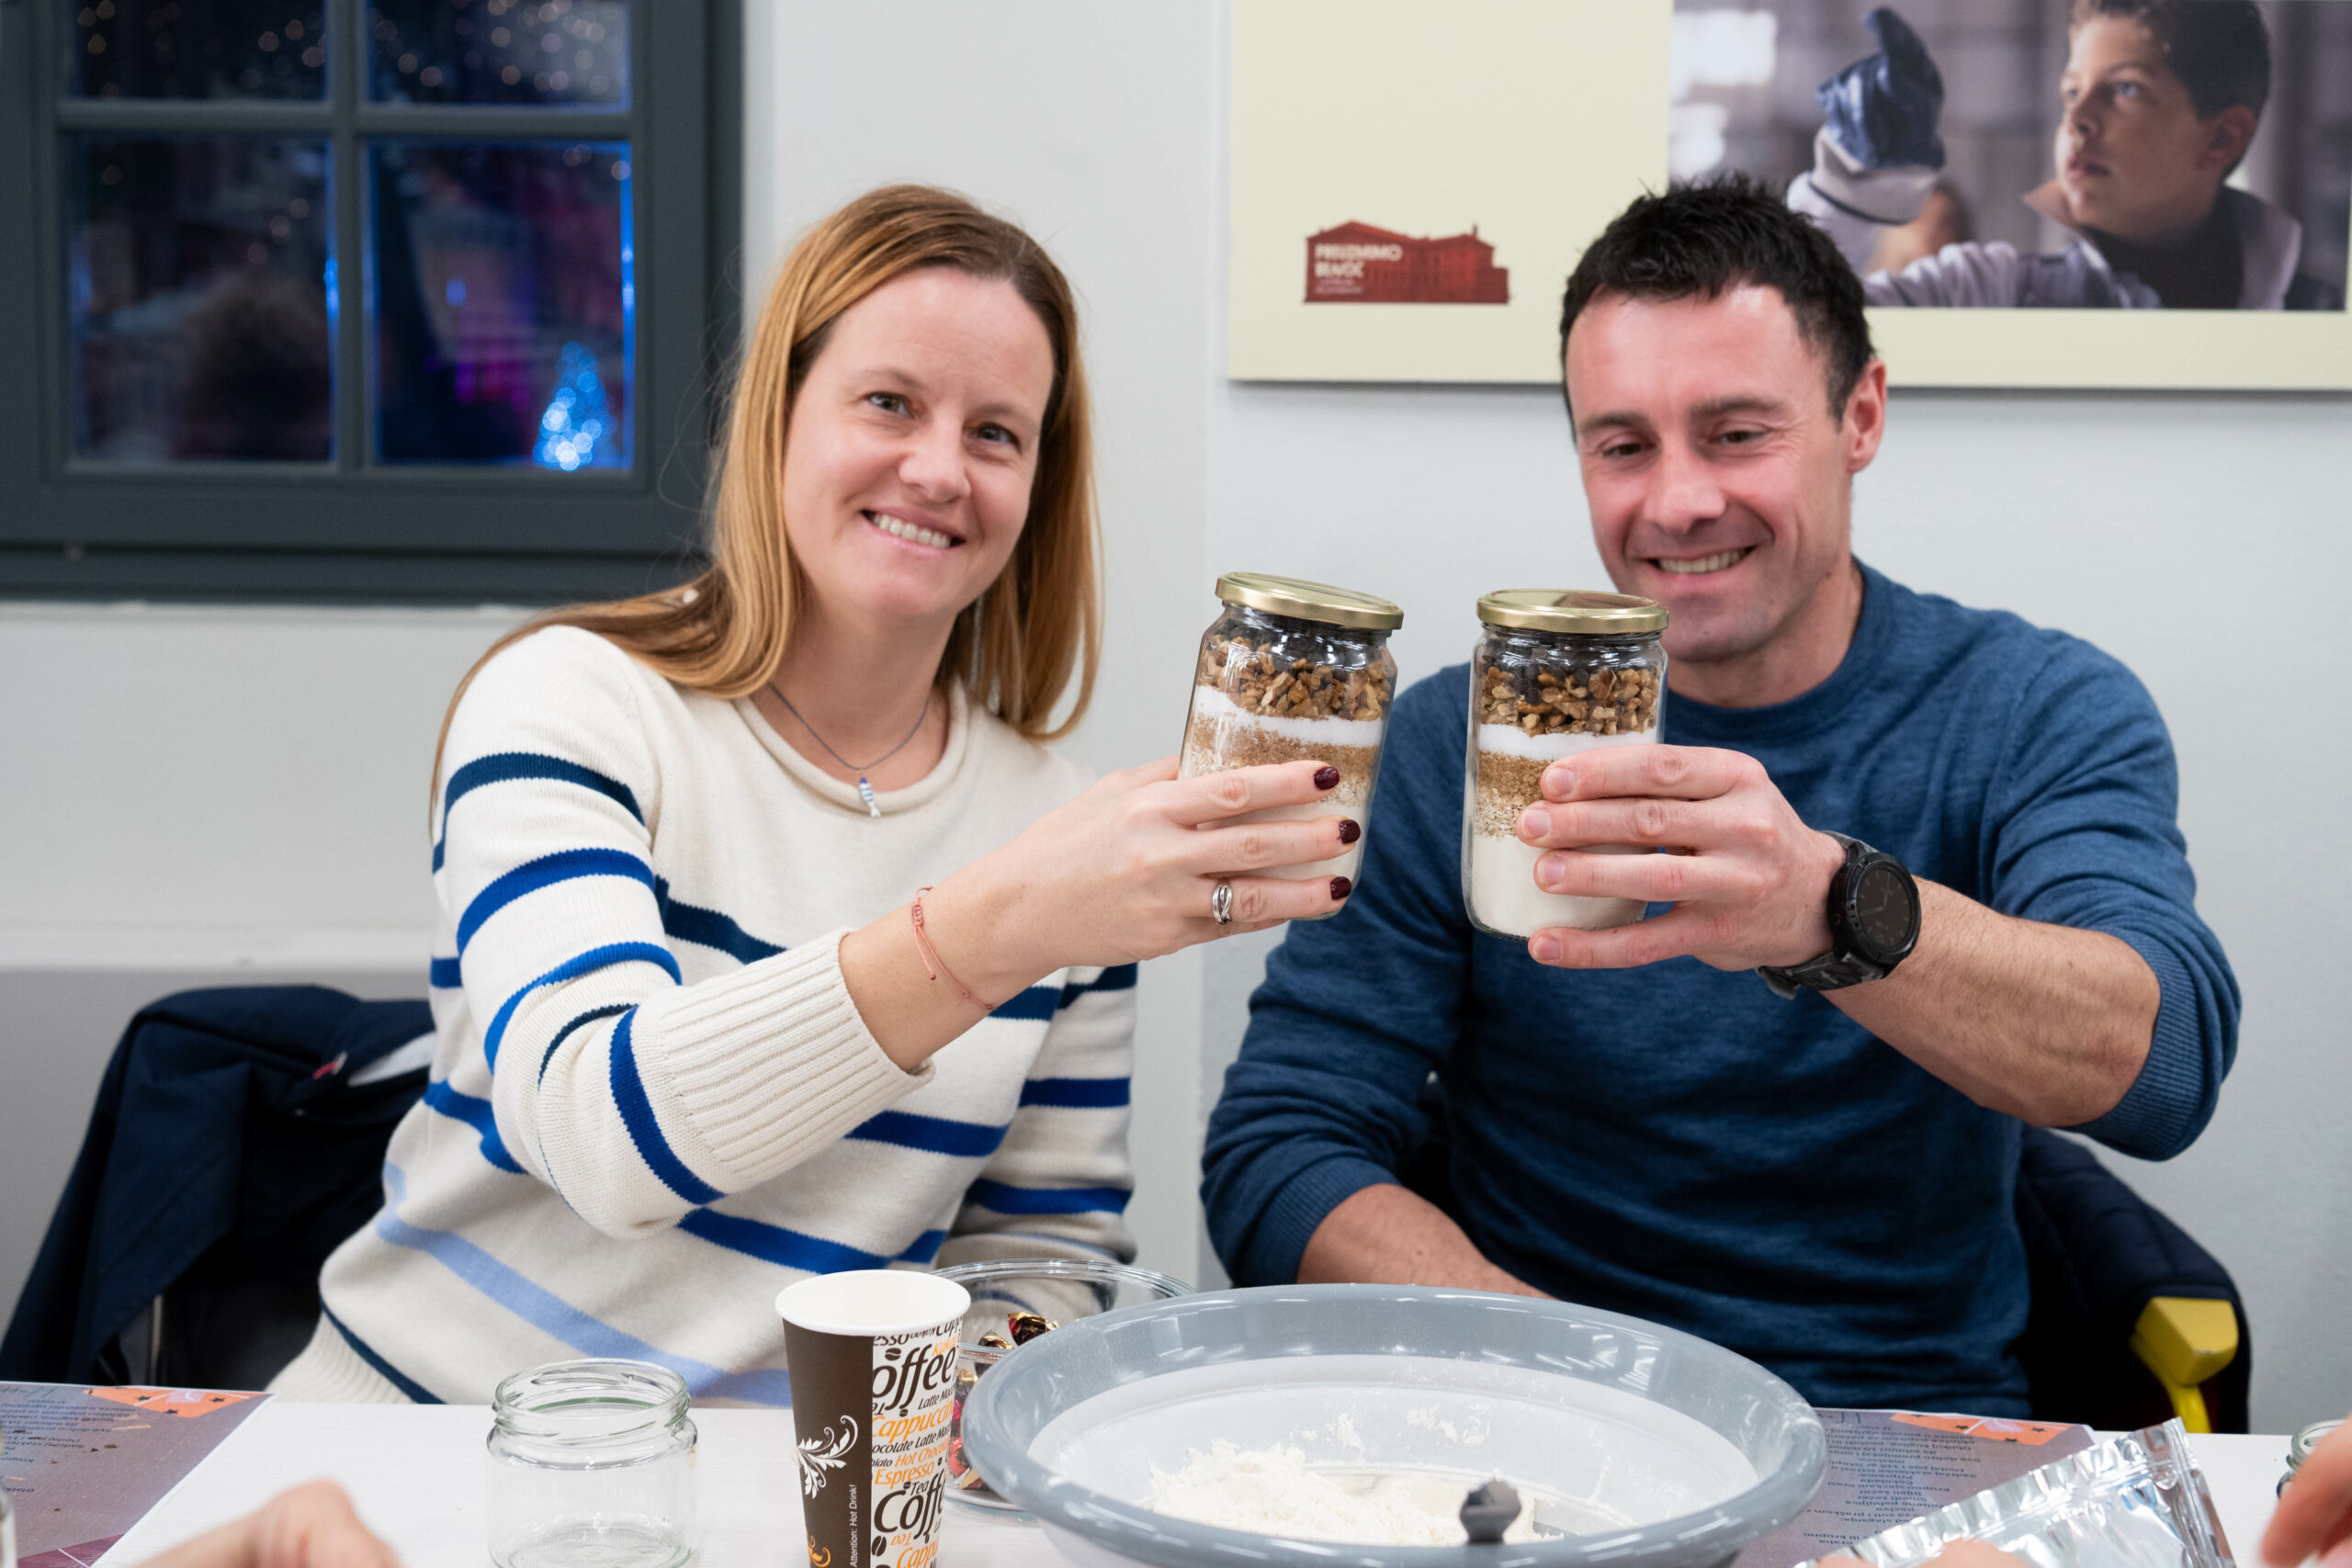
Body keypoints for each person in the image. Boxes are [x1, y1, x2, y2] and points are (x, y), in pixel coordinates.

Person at [270, 185, 1356, 1404]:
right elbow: (601, 1134)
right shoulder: (569, 703)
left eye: (996, 433)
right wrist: (1001, 924)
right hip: (426, 1443)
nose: (939, 469)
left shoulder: (1057, 829)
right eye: (889, 402)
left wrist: (978, 1387)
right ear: (779, 417)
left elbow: (1041, 1249)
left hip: (801, 1477)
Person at [1200, 176, 2239, 1414]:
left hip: (1901, 1417)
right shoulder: (1454, 740)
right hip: (1540, 1416)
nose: (1679, 501)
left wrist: (1829, 907)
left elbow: (2161, 1069)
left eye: (1737, 433)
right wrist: (1582, 1377)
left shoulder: (2032, 708)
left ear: (1860, 415)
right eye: (1623, 445)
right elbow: (1278, 1148)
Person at [1790, 3, 2343, 310]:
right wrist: (1851, 190)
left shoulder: (2321, 326)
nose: (2077, 120)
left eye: (2125, 89)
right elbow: (1788, 328)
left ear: (2222, 138)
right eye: (2072, 92)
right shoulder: (1990, 295)